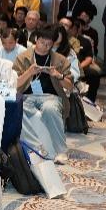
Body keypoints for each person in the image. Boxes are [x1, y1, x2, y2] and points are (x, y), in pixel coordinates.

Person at [13, 25, 73, 163]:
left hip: (51, 97)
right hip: (26, 97)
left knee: (50, 109)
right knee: (18, 109)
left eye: (48, 44)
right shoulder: (22, 58)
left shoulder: (60, 60)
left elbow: (70, 87)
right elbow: (14, 84)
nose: (45, 47)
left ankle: (61, 151)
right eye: (42, 42)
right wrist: (29, 72)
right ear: (36, 39)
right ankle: (35, 147)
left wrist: (58, 75)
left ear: (53, 44)